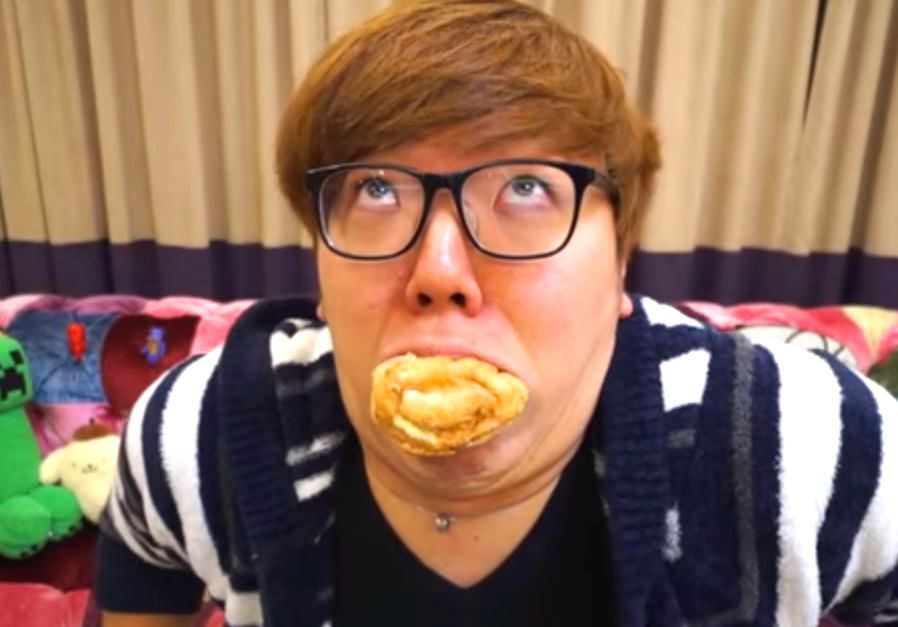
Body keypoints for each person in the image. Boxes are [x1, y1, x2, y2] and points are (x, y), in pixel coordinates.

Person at [95, 1, 898, 626]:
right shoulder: (195, 434)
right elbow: (142, 567)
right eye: (376, 189)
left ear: (621, 261)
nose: (440, 273)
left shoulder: (808, 442)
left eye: (525, 187)